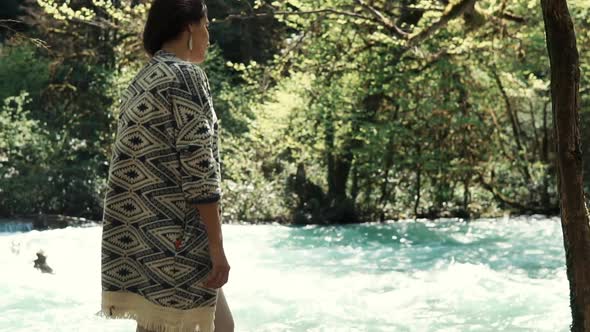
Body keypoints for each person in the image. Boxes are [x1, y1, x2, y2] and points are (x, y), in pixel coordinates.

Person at [99, 0, 234, 331]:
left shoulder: (143, 79)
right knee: (218, 328)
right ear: (190, 27)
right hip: (178, 242)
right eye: (207, 26)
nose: (208, 35)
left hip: (140, 242)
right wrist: (217, 249)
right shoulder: (186, 76)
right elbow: (199, 168)